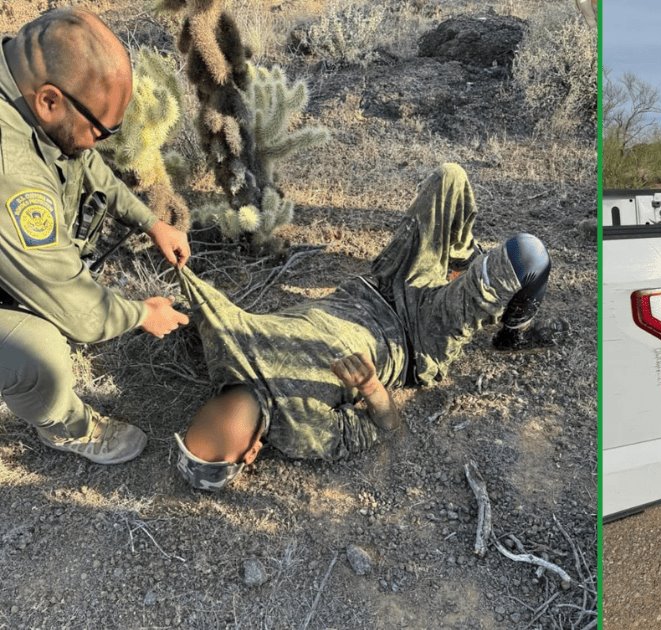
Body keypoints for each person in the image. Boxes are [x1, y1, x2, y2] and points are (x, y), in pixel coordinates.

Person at [173, 163, 566, 491]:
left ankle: (459, 264)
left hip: (381, 282)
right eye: (217, 442)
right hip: (417, 336)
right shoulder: (301, 432)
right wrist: (371, 388)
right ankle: (512, 333)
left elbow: (192, 297)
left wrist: (156, 301)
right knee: (527, 255)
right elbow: (389, 428)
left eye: (198, 425)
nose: (213, 422)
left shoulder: (225, 349)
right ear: (252, 453)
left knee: (449, 177)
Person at [0, 8, 191, 465]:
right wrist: (143, 313)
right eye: (101, 130)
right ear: (49, 100)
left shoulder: (25, 87)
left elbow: (82, 161)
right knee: (39, 353)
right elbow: (79, 311)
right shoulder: (11, 169)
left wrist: (150, 221)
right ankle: (69, 430)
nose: (100, 142)